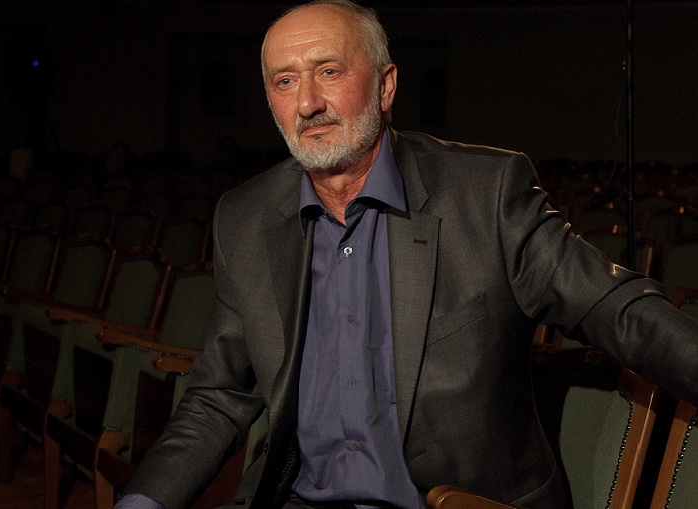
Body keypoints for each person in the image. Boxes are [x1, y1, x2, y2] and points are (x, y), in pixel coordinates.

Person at [116, 1, 698, 508]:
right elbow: (219, 396)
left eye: (329, 71)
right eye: (285, 81)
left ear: (386, 86)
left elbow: (613, 307)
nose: (308, 102)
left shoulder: (485, 193)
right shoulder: (245, 218)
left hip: (457, 503)